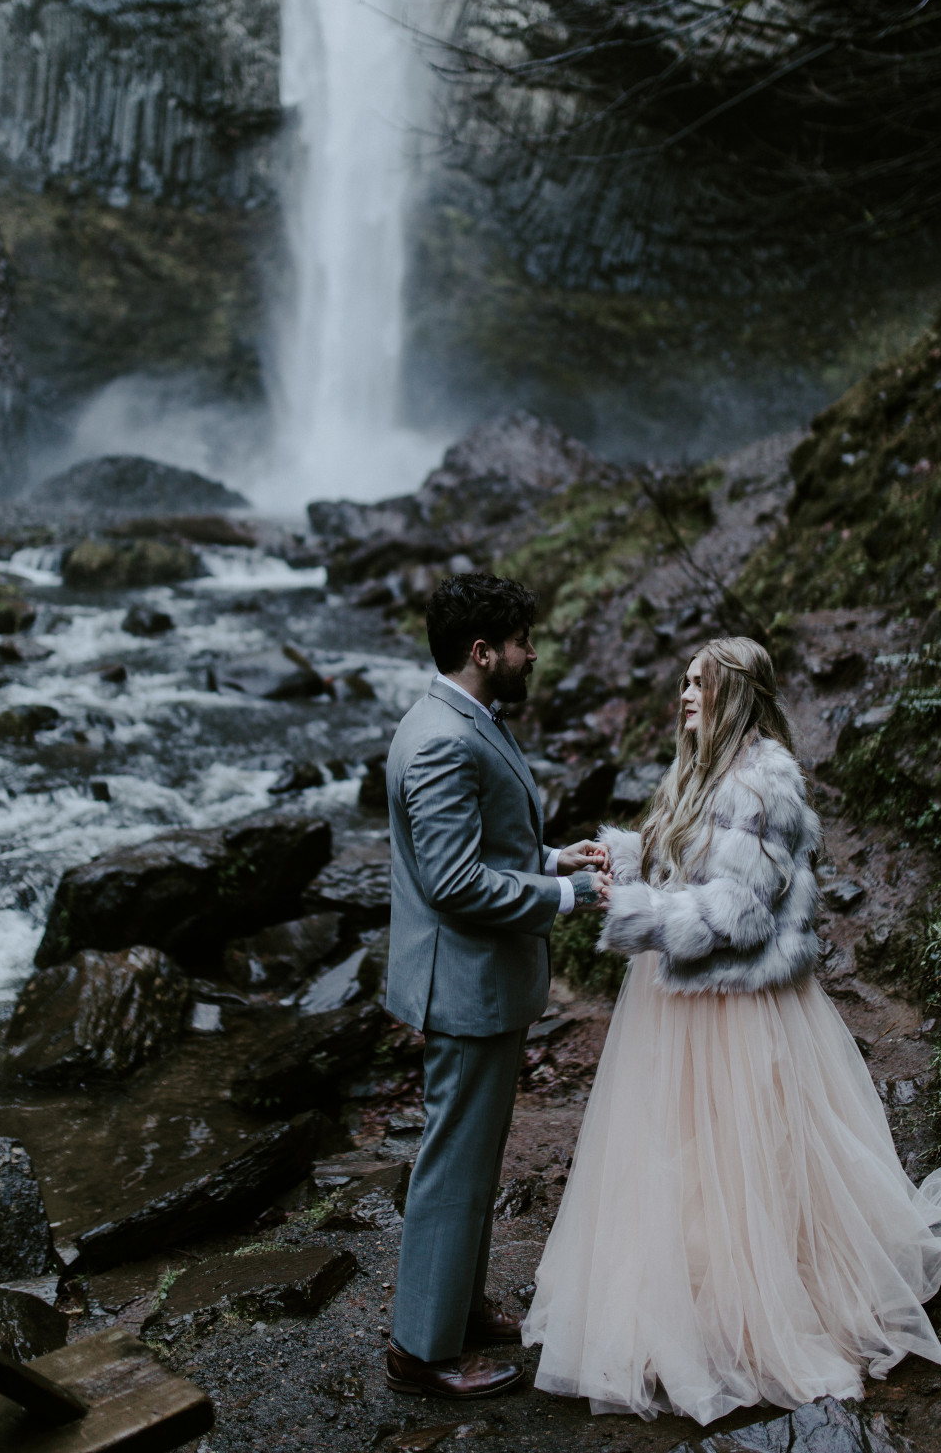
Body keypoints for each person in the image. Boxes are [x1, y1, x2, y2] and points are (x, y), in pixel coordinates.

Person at [522, 635, 941, 1424]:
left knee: (746, 1154)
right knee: (680, 1155)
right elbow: (686, 868)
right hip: (678, 998)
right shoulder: (698, 769)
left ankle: (760, 1310)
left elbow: (738, 911)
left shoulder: (765, 780)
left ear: (735, 693)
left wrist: (634, 915)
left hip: (735, 1003)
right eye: (685, 680)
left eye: (700, 683)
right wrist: (622, 861)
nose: (685, 694)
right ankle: (693, 1299)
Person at [384, 572, 612, 1401]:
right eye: (521, 642)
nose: (532, 653)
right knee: (453, 1165)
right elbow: (452, 881)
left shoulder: (457, 717)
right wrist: (571, 895)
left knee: (473, 1162)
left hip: (471, 984)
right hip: (465, 988)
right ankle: (422, 1352)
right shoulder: (445, 737)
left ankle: (455, 1311)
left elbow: (487, 840)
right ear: (483, 652)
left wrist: (555, 857)